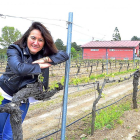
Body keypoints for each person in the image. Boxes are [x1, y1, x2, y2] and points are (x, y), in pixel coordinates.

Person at [0, 21, 69, 140]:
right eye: (33, 38)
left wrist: (44, 59)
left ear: (44, 43)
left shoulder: (43, 53)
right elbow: (18, 68)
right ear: (27, 37)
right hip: (8, 92)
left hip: (23, 98)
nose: (36, 42)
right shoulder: (14, 49)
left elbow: (64, 55)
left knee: (7, 136)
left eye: (40, 40)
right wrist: (40, 66)